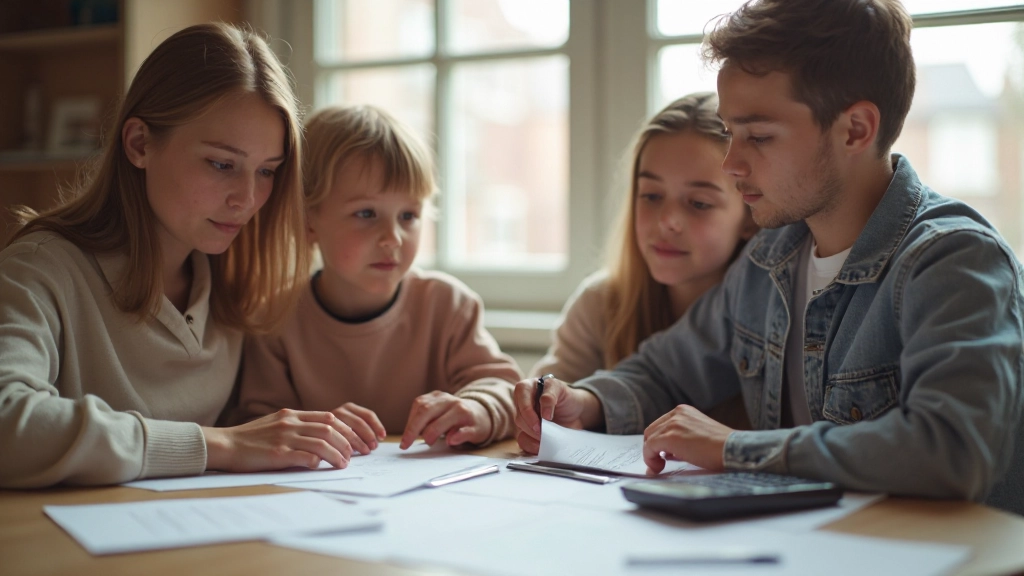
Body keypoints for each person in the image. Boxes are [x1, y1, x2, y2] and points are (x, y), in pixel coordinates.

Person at [514, 0, 1024, 514]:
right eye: (732, 134)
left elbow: (951, 451)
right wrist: (588, 404)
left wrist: (734, 449)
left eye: (758, 136)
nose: (732, 164)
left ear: (855, 130)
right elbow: (664, 371)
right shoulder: (769, 257)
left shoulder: (954, 261)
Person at [0, 23, 368, 488]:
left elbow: (242, 430)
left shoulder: (234, 282)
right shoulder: (39, 269)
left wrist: (302, 432)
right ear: (139, 145)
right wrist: (223, 444)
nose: (248, 198)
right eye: (221, 164)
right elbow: (8, 422)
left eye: (268, 171)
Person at [232, 105, 522, 451]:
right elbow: (258, 425)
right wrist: (316, 428)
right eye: (366, 213)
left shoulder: (447, 305)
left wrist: (477, 407)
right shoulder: (274, 320)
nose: (393, 238)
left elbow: (502, 385)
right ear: (308, 222)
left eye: (408, 215)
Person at [530, 92, 756, 429]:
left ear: (750, 216)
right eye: (651, 196)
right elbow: (546, 408)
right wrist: (529, 410)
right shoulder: (601, 304)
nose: (667, 221)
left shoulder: (766, 310)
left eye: (698, 203)